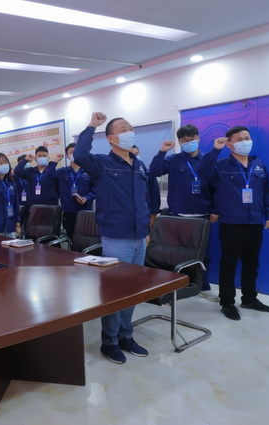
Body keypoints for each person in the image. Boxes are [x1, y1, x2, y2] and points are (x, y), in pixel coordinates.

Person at [74, 112, 151, 364]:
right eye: (124, 129)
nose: (130, 132)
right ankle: (109, 341)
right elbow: (80, 155)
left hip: (139, 236)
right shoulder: (101, 163)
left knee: (133, 290)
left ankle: (126, 336)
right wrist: (91, 126)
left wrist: (146, 231)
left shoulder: (139, 165)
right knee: (115, 291)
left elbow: (144, 201)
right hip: (117, 237)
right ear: (111, 138)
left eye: (131, 128)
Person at [197, 126, 269, 320]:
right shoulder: (221, 165)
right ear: (230, 144)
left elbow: (268, 191)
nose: (245, 141)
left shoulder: (259, 165)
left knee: (251, 263)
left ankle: (249, 298)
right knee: (229, 264)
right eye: (240, 139)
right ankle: (227, 302)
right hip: (231, 223)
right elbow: (201, 172)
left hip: (254, 222)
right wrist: (215, 150)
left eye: (247, 138)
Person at [148, 124, 219, 302]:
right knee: (175, 254)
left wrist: (215, 211)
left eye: (192, 139)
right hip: (177, 215)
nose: (188, 142)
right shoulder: (173, 160)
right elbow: (154, 172)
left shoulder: (208, 160)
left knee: (204, 254)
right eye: (184, 140)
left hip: (203, 216)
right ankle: (176, 285)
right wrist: (162, 151)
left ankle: (203, 287)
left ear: (198, 138)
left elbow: (216, 188)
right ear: (179, 142)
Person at [56, 143, 96, 239]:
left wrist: (86, 198)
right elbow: (48, 177)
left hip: (85, 212)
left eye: (77, 151)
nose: (75, 154)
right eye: (71, 152)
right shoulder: (61, 172)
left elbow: (96, 189)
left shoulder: (90, 171)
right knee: (71, 240)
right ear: (67, 156)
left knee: (86, 241)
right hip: (68, 212)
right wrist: (55, 161)